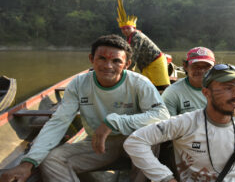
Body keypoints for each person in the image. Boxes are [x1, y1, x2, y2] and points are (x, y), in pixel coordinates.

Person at [0, 34, 170, 182]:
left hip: (134, 140)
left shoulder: (139, 83)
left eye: (116, 60)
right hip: (99, 144)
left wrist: (113, 122)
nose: (108, 66)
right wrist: (28, 162)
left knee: (150, 139)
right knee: (52, 160)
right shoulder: (79, 84)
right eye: (102, 58)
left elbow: (162, 115)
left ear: (127, 64)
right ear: (91, 59)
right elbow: (59, 122)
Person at [124, 64, 235, 182]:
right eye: (227, 88)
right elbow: (135, 142)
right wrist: (165, 177)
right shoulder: (186, 122)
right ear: (206, 93)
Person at [117, 0, 170, 90]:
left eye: (128, 28)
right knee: (149, 86)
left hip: (155, 61)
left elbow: (133, 54)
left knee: (162, 86)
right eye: (123, 29)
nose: (125, 31)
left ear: (134, 28)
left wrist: (127, 69)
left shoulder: (136, 36)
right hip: (146, 64)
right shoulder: (129, 38)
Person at [162, 46, 215, 116]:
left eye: (207, 66)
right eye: (196, 66)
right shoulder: (172, 92)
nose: (202, 71)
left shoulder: (222, 89)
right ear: (185, 66)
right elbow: (167, 124)